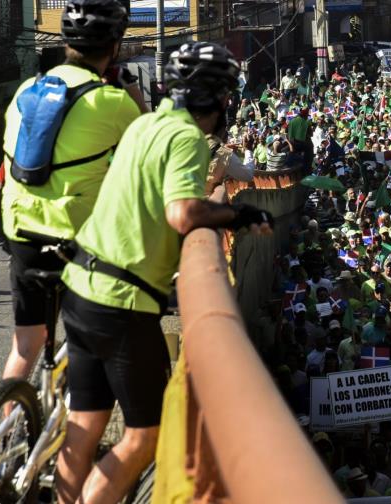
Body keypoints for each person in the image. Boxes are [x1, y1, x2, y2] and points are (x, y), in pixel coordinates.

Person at [55, 42, 273, 503]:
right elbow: (182, 213)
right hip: (122, 303)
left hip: (79, 286)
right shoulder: (188, 139)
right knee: (143, 436)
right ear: (214, 98)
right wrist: (235, 216)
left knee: (84, 428)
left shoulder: (145, 124)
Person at [0, 0, 145, 386]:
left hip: (20, 230)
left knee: (26, 344)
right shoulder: (112, 102)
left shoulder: (24, 92)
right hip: (76, 237)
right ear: (114, 48)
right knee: (99, 338)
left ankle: (0, 433)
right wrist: (133, 93)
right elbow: (147, 152)